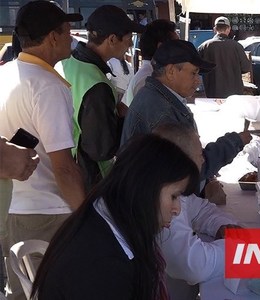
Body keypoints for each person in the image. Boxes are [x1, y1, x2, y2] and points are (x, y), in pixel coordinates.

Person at [31, 134, 200, 299]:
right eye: (174, 196)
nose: (177, 209)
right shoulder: (103, 265)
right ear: (146, 188)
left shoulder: (103, 216)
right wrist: (228, 245)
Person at [0, 2, 85, 299]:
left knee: (22, 291)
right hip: (49, 213)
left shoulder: (6, 73)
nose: (72, 37)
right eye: (67, 31)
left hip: (12, 208)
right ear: (52, 37)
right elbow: (63, 167)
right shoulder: (48, 85)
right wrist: (86, 215)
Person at [121, 39, 251, 188]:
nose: (197, 81)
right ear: (171, 71)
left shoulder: (159, 97)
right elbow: (186, 169)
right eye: (194, 73)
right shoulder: (161, 110)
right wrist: (233, 143)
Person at [61, 5, 145, 191]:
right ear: (112, 39)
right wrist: (123, 118)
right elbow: (101, 149)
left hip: (67, 166)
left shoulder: (70, 62)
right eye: (129, 39)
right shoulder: (98, 85)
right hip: (88, 177)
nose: (130, 45)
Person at [154, 124, 241, 300]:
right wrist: (240, 250)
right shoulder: (160, 200)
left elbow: (200, 209)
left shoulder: (172, 189)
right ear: (181, 159)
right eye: (200, 153)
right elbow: (194, 265)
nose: (203, 160)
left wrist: (221, 226)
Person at [123, 19, 179, 107]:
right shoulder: (147, 79)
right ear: (161, 47)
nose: (180, 49)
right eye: (177, 44)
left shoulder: (149, 75)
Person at [197, 16, 252, 98]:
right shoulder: (237, 46)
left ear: (215, 29)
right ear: (228, 29)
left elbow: (197, 68)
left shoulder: (204, 46)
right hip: (234, 94)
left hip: (212, 92)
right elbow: (246, 68)